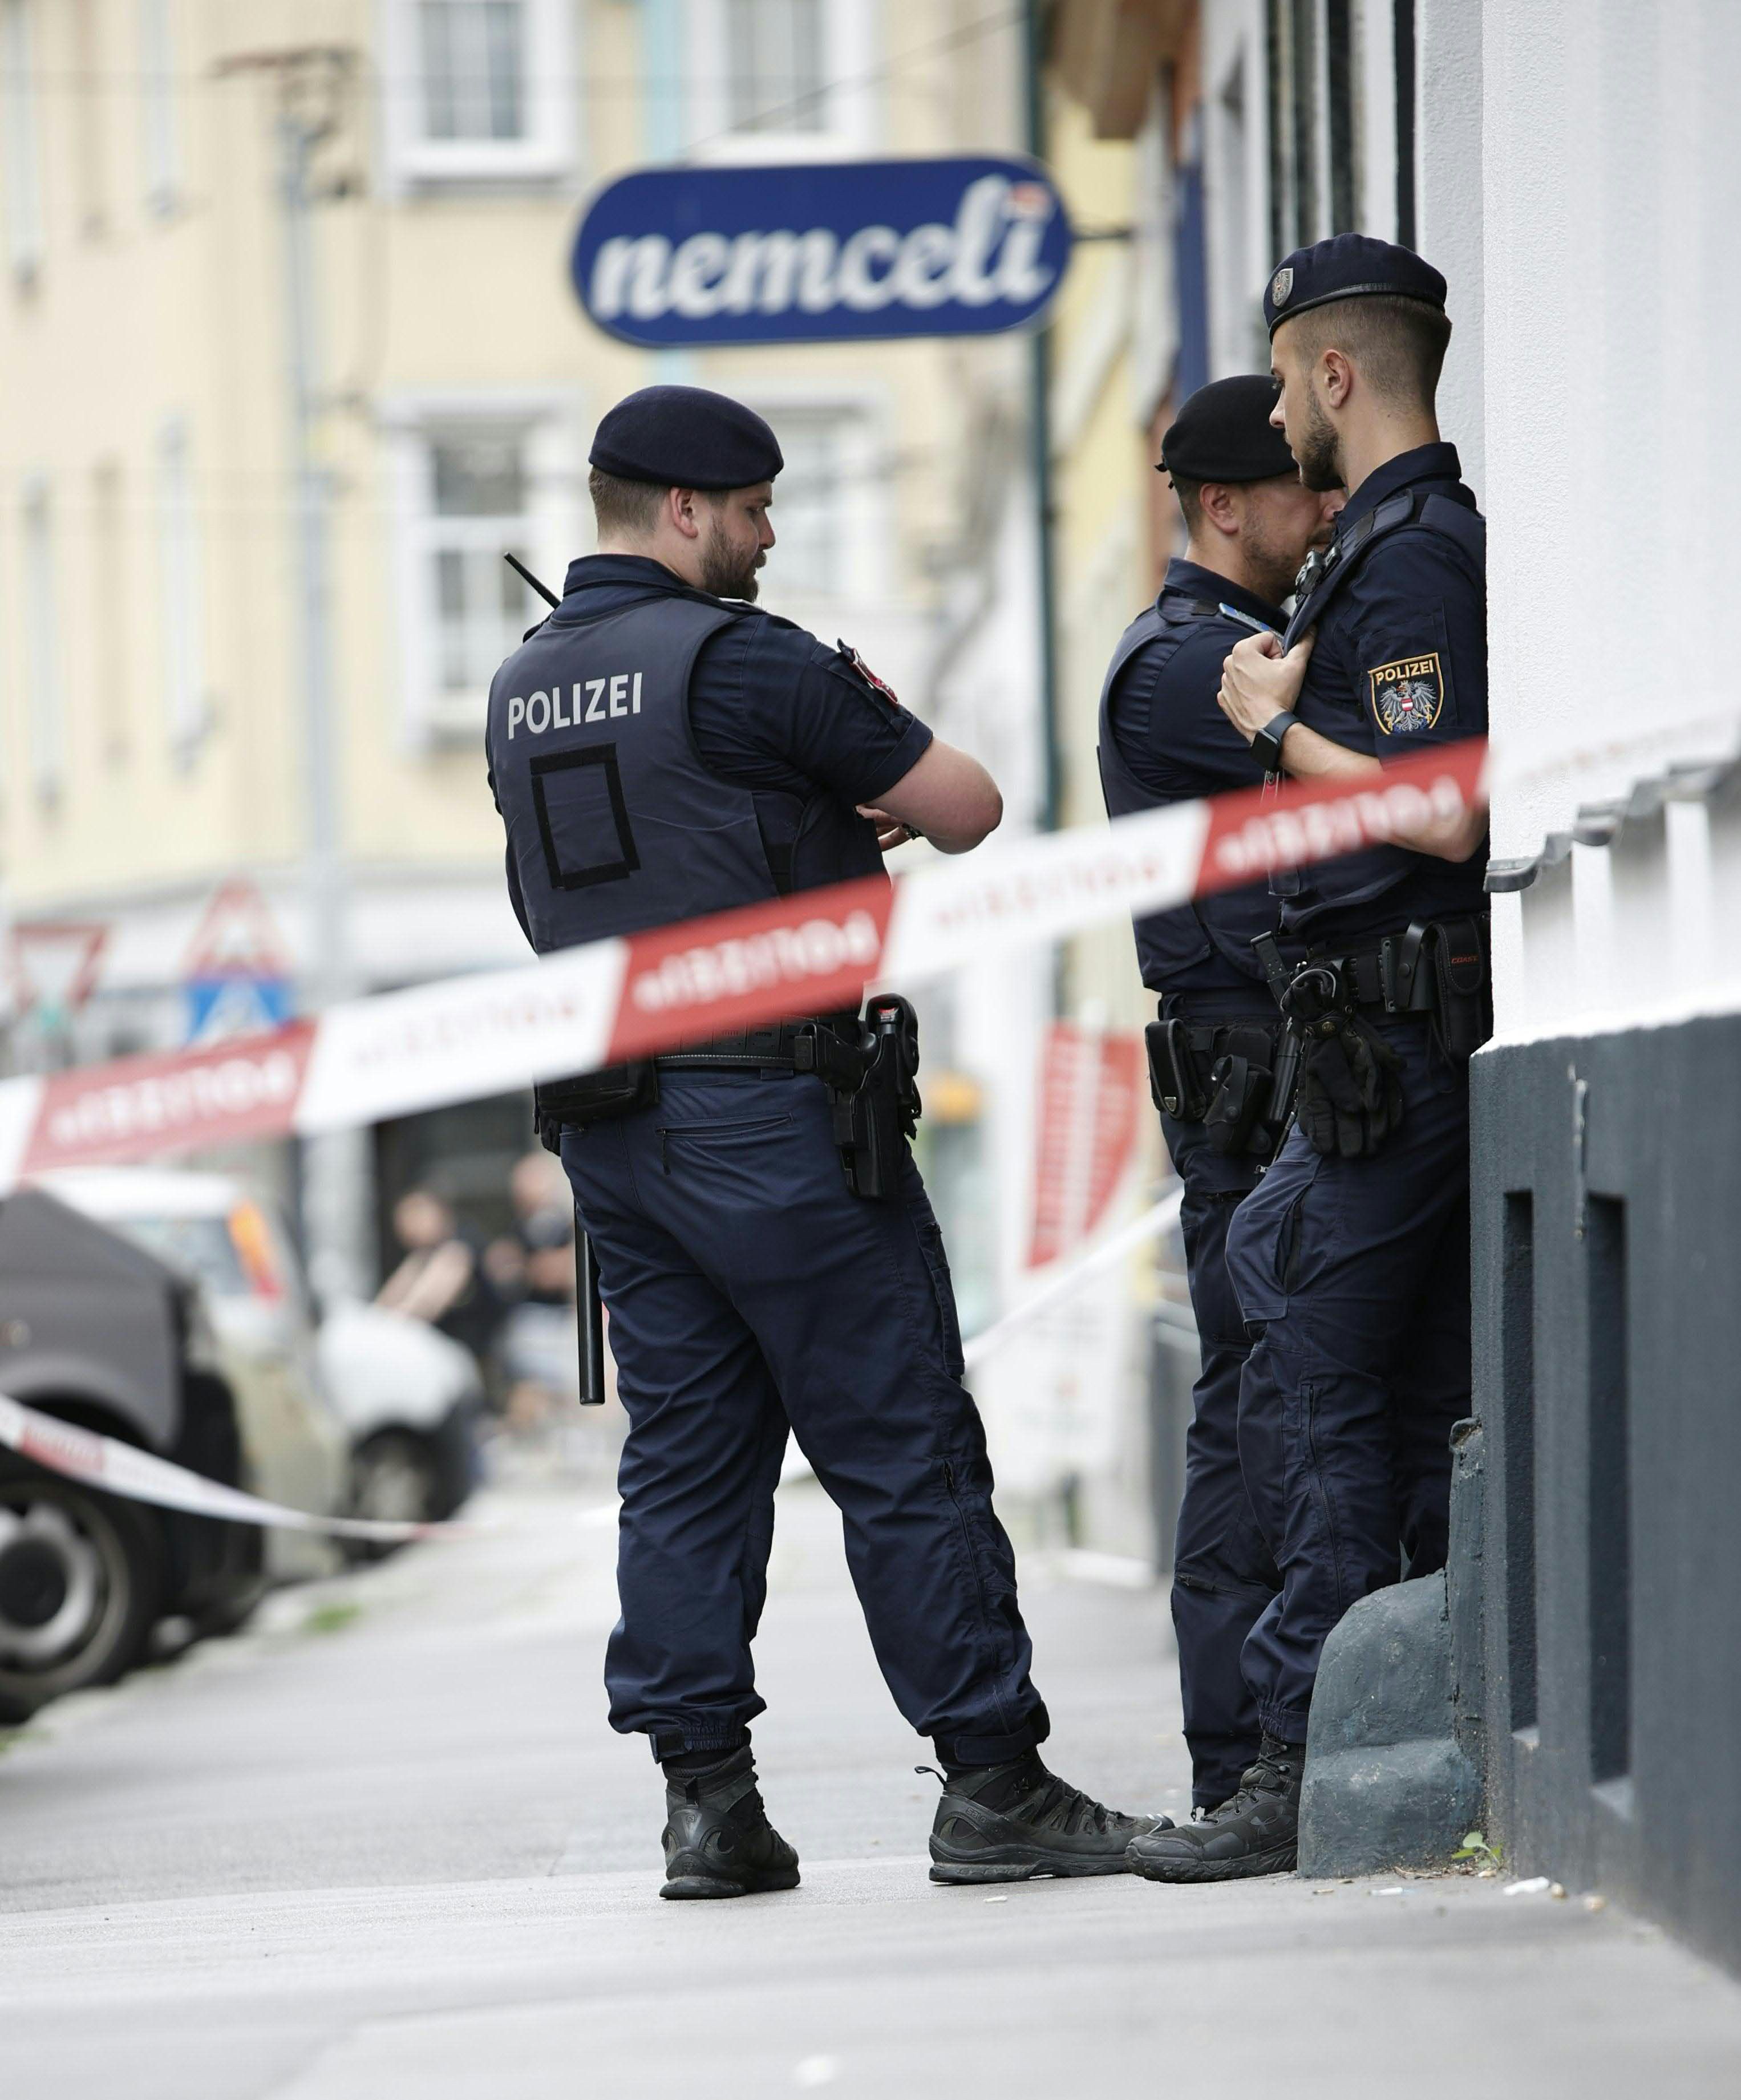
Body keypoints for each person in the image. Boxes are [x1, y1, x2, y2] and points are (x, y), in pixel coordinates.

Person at [485, 384, 1160, 1899]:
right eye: (750, 509)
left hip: (614, 1131)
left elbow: (621, 873)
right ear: (677, 510)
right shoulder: (745, 662)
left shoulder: (521, 685)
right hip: (774, 1116)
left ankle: (706, 1809)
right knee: (899, 1439)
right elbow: (967, 805)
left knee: (684, 1464)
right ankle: (991, 1780)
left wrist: (803, 839)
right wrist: (851, 757)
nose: (767, 535)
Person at [1127, 234, 1490, 1886]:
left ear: (1336, 375)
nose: (1276, 412)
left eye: (1282, 378)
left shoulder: (1409, 559)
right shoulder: (1369, 561)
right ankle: (1368, 1730)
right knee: (1352, 1385)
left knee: (1319, 1399)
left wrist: (1275, 728)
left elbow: (1436, 806)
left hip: (1387, 1041)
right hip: (1358, 1038)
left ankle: (1296, 1757)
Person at [1095, 375, 1340, 1821]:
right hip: (1247, 1080)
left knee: (1282, 1399)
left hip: (1285, 1065)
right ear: (1219, 505)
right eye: (1298, 489)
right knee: (1251, 1407)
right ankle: (1234, 1753)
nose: (1324, 508)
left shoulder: (1237, 645)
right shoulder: (1183, 665)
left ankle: (1261, 1743)